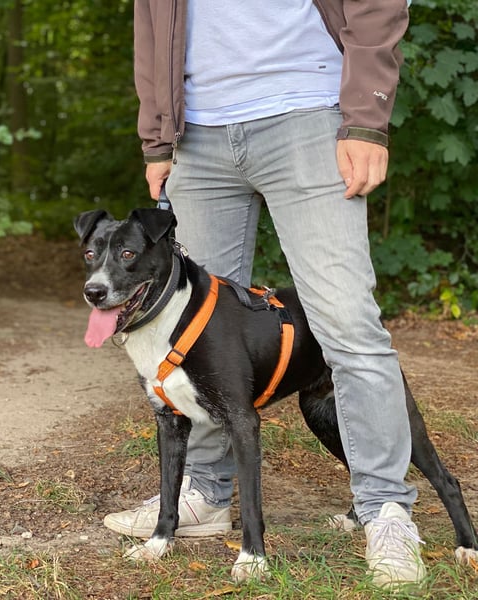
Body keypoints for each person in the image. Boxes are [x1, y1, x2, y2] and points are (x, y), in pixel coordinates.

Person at [104, 0, 425, 588]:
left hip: (309, 113)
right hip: (195, 131)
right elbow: (152, 25)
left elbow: (377, 7)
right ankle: (203, 492)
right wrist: (157, 136)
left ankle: (385, 508)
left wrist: (365, 119)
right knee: (191, 333)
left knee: (347, 326)